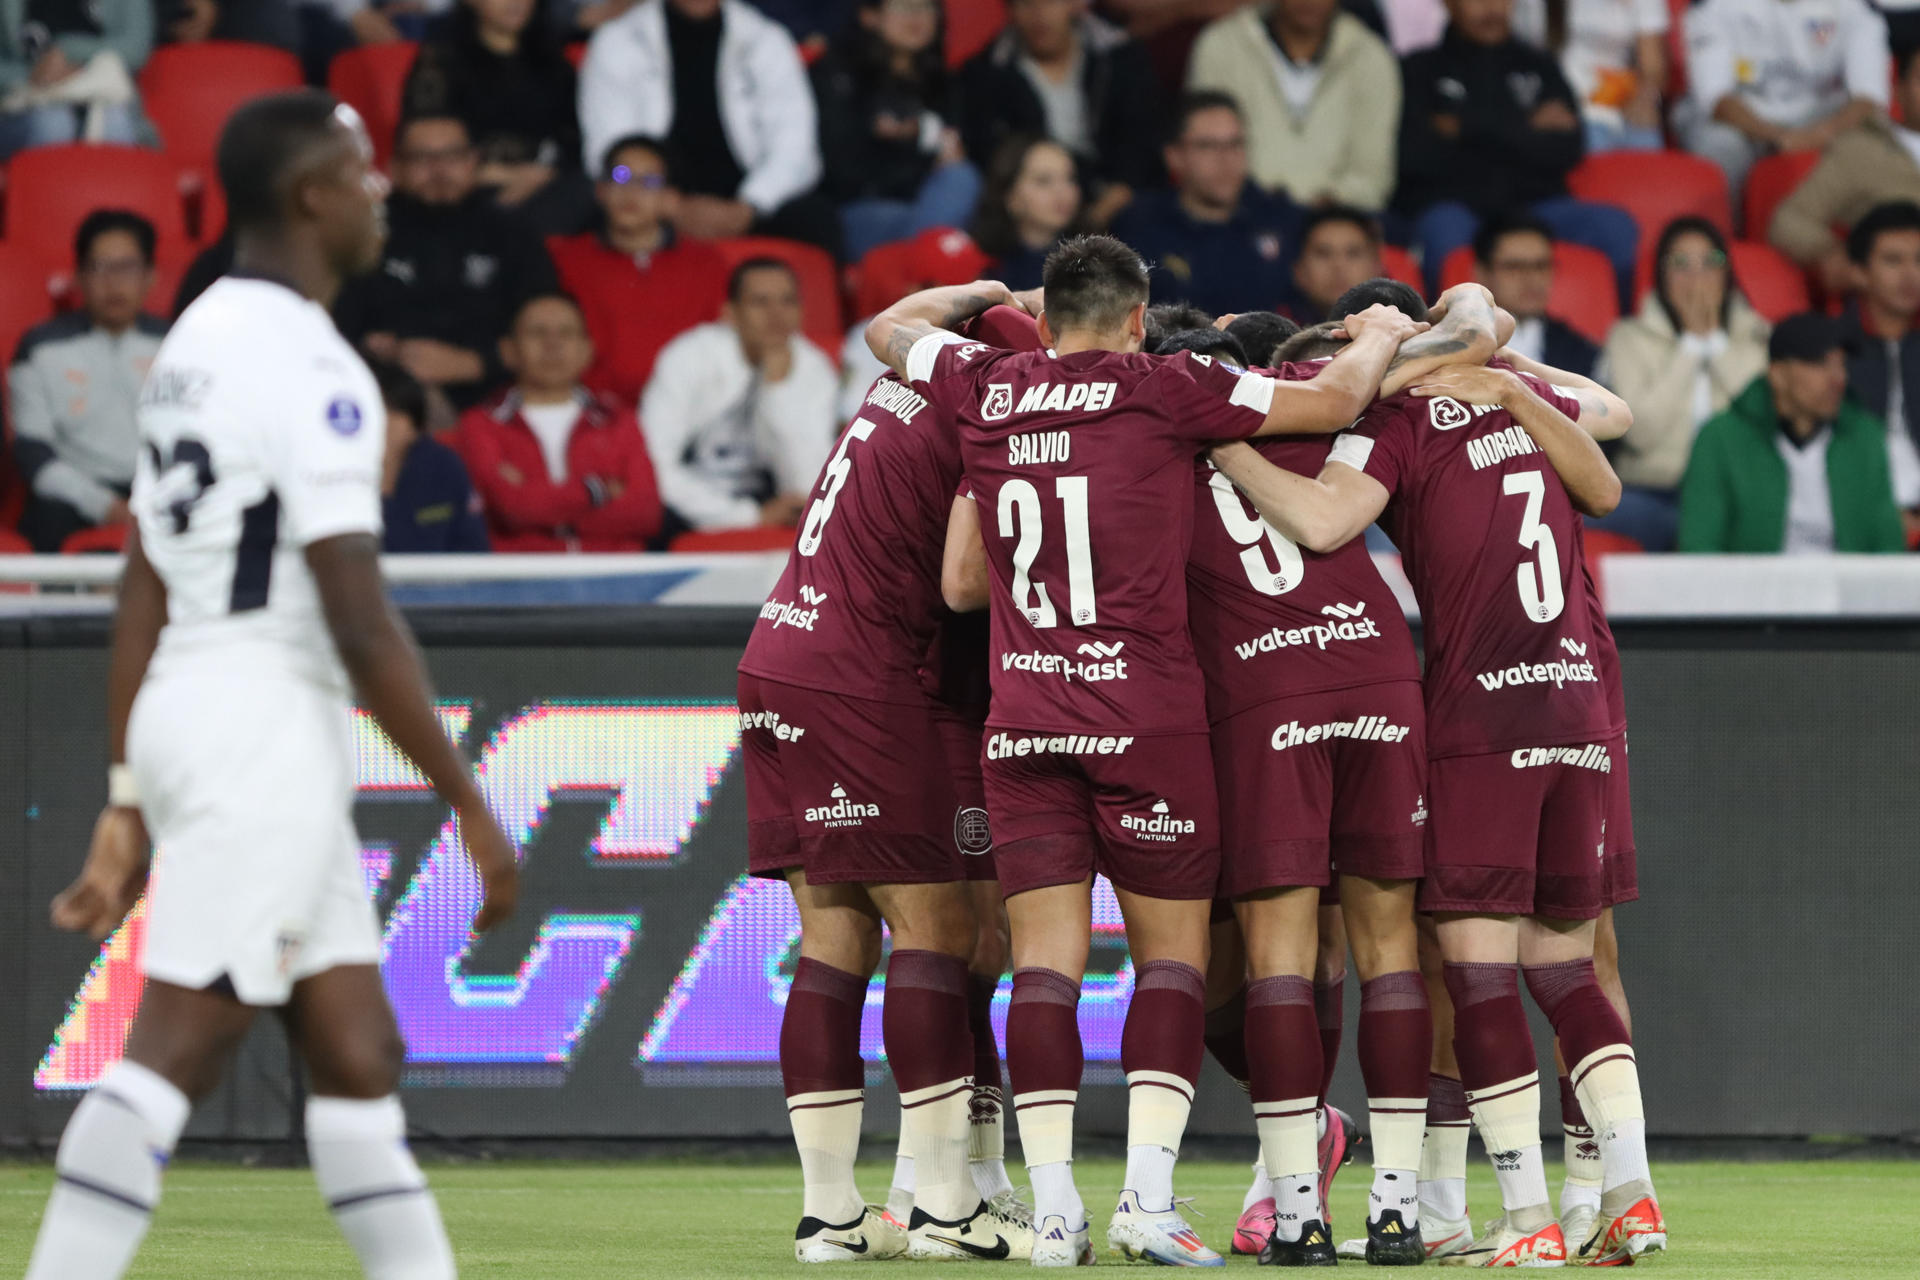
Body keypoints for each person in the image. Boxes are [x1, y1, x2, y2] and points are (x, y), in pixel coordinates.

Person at [21, 89, 517, 1280]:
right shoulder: (314, 364)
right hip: (262, 721)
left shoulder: (190, 340)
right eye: (360, 170)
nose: (378, 189)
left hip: (193, 700)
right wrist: (470, 801)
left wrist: (131, 784)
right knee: (172, 1047)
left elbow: (142, 574)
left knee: (356, 1049)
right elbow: (357, 610)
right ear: (310, 195)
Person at [869, 235, 1428, 1266]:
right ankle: (1146, 1200)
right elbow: (1337, 401)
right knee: (1169, 956)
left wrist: (989, 291)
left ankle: (1051, 1214)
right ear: (1137, 318)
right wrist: (1386, 331)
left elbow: (890, 330)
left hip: (1024, 713)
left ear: (1044, 320)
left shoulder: (987, 387)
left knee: (1044, 963)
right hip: (1143, 713)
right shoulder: (1166, 387)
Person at [1212, 334, 1666, 1267]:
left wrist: (1221, 441)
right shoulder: (1519, 391)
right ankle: (1628, 1196)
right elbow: (1611, 476)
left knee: (1478, 968)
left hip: (1483, 712)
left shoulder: (1395, 421)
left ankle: (1529, 1219)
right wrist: (1504, 376)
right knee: (1572, 968)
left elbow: (1325, 521)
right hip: (1583, 701)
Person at [1177, 283, 1501, 1266]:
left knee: (1281, 953)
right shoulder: (1331, 391)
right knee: (1388, 944)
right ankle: (1398, 1208)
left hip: (1264, 691)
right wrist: (1394, 325)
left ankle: (1299, 1212)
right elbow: (1484, 327)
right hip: (1373, 669)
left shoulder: (1153, 426)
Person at [738, 304, 1043, 1262]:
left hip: (777, 662)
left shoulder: (892, 388)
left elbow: (896, 319)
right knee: (941, 935)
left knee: (833, 943)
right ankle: (946, 1208)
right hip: (872, 684)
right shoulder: (988, 408)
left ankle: (831, 1216)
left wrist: (985, 290)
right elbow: (961, 582)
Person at [1397, 0, 1638, 297]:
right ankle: (1444, 337)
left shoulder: (1539, 64)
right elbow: (1416, 155)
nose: (1491, 9)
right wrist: (1526, 127)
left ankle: (1621, 339)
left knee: (1615, 228)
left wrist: (1464, 128)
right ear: (1448, 4)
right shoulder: (1419, 68)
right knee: (1442, 233)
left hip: (1538, 206)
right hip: (1458, 206)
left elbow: (1567, 148)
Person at [335, 112, 560, 413]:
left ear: (474, 162)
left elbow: (549, 329)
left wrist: (473, 364)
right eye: (422, 158)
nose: (439, 170)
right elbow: (334, 332)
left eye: (453, 156)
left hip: (502, 402)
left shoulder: (512, 232)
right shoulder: (362, 233)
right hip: (389, 402)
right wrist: (371, 352)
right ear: (394, 168)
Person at [577, 0, 839, 252]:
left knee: (817, 219)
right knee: (583, 212)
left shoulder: (766, 39)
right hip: (652, 196)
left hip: (750, 202)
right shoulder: (617, 40)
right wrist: (667, 204)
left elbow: (796, 150)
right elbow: (608, 150)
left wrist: (750, 204)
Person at [1595, 215, 1772, 551]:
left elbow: (1765, 422)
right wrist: (1689, 346)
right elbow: (1639, 435)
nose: (1696, 277)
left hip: (1739, 491)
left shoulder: (1757, 335)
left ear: (1727, 274)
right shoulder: (1628, 338)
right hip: (1656, 489)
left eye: (1710, 262)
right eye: (1681, 263)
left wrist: (1716, 345)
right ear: (1662, 275)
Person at [1679, 311, 1907, 553]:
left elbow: (1888, 544)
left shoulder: (1864, 436)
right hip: (1754, 589)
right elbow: (1698, 546)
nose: (1838, 378)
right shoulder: (1721, 438)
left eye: (1841, 364)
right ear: (1777, 375)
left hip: (1843, 589)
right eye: (1821, 364)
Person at [640, 257, 837, 535]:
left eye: (787, 301)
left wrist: (779, 387)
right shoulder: (689, 356)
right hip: (684, 509)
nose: (776, 314)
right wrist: (746, 517)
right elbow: (652, 464)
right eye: (760, 302)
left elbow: (808, 484)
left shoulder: (813, 366)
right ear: (730, 313)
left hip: (771, 506)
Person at [453, 292, 663, 551]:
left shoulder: (620, 421)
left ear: (587, 350)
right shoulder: (480, 425)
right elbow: (512, 510)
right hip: (522, 580)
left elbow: (645, 513)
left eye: (566, 333)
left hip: (614, 579)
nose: (552, 344)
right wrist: (594, 491)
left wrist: (541, 506)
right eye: (537, 333)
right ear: (509, 350)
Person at [10, 210, 165, 553]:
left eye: (127, 268)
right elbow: (33, 453)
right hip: (75, 497)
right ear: (78, 277)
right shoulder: (38, 348)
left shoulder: (175, 345)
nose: (114, 282)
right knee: (45, 522)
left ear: (151, 276)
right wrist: (104, 506)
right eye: (98, 268)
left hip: (160, 491)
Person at [546, 134, 728, 406]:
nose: (631, 191)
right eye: (620, 176)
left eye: (650, 182)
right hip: (592, 412)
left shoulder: (706, 262)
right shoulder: (564, 259)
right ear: (601, 190)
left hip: (691, 411)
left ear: (670, 198)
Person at [957, 0, 1163, 229]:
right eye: (1025, 4)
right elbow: (992, 156)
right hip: (1033, 207)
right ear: (1010, 11)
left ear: (1076, 4)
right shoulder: (984, 73)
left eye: (1050, 2)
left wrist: (1101, 212)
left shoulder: (1122, 56)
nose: (1039, 14)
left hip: (1122, 197)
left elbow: (1142, 142)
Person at [1184, 0, 1401, 211]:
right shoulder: (1221, 45)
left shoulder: (1371, 56)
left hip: (1336, 222)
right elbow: (1203, 152)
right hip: (1238, 217)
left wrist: (1330, 204)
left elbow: (1373, 174)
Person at [812, 0, 981, 261]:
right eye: (904, 6)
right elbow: (840, 166)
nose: (917, 17)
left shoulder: (946, 83)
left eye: (926, 7)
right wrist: (922, 150)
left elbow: (956, 154)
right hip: (861, 209)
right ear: (870, 15)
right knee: (946, 234)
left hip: (929, 206)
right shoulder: (837, 72)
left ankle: (918, 281)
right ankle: (927, 274)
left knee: (961, 178)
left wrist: (914, 138)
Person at [401, 0, 588, 235]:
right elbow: (424, 137)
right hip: (466, 184)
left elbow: (572, 140)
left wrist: (540, 174)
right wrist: (502, 176)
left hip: (543, 185)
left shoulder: (554, 64)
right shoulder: (442, 61)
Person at [1111, 92, 1297, 317]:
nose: (1226, 159)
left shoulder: (1283, 219)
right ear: (1174, 156)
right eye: (1207, 146)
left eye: (1235, 144)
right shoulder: (1138, 226)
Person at [1680, 0, 1890, 195]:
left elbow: (1868, 99)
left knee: (1873, 134)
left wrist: (1817, 135)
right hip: (1743, 118)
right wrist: (1779, 137)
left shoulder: (1855, 7)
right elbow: (1717, 99)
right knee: (1719, 144)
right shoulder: (1715, 5)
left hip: (1820, 115)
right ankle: (1725, 231)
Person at [1770, 44, 1920, 295]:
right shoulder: (1860, 150)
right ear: (1899, 90)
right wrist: (1835, 254)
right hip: (1893, 305)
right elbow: (1790, 220)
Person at [1835, 200, 1920, 528]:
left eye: (1918, 260)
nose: (1910, 275)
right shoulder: (1832, 350)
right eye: (1893, 261)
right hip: (1855, 520)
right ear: (1858, 272)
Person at [0, 0, 151, 158]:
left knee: (113, 120)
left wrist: (67, 53)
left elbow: (135, 48)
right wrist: (35, 74)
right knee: (53, 122)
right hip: (24, 105)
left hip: (101, 94)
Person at [369, 356, 490, 552]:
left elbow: (474, 550)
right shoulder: (329, 468)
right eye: (376, 411)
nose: (386, 423)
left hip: (442, 581)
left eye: (395, 412)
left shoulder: (442, 464)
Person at [1476, 212, 1599, 378]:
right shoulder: (1455, 341)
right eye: (1515, 266)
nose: (1531, 278)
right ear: (1482, 274)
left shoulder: (1581, 352)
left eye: (1541, 266)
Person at [1535, 0, 1669, 153]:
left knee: (1647, 141)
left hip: (1620, 95)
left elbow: (1653, 65)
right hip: (1567, 94)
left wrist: (1646, 99)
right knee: (1593, 141)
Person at [970, 135, 1083, 291]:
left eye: (1070, 179)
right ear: (1009, 195)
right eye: (1043, 181)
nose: (1063, 192)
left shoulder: (1095, 263)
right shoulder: (982, 268)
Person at [1284, 206, 1386, 324]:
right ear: (1299, 270)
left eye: (1353, 253)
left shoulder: (1405, 335)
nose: (1338, 266)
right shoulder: (1274, 336)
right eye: (1323, 253)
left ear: (1376, 268)